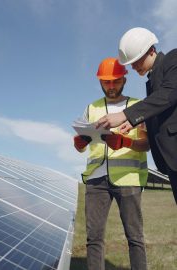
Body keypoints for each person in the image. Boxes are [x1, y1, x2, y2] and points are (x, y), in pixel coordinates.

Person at [74, 57, 149, 270]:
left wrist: (126, 141)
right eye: (106, 82)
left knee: (135, 237)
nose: (111, 86)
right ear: (100, 82)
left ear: (124, 80)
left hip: (128, 178)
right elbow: (83, 145)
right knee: (93, 238)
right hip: (96, 179)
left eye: (115, 81)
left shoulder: (137, 106)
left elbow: (146, 144)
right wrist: (78, 144)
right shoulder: (92, 108)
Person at [96, 27, 177, 204]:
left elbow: (169, 94)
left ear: (151, 51)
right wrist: (138, 122)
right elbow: (163, 112)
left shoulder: (173, 58)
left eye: (136, 61)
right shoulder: (152, 81)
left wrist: (126, 115)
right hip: (171, 161)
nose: (133, 67)